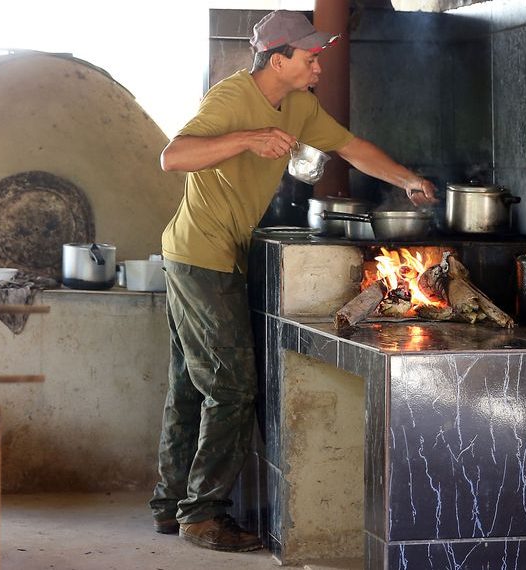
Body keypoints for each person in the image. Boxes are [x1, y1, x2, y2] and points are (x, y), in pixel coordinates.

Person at [151, 9, 437, 553]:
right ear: (277, 59)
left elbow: (350, 148)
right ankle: (203, 516)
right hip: (198, 255)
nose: (318, 65)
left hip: (215, 255)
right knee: (232, 387)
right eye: (310, 57)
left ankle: (172, 507)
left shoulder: (301, 104)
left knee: (194, 384)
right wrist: (247, 138)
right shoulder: (232, 99)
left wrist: (409, 179)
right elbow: (174, 157)